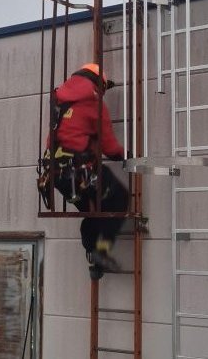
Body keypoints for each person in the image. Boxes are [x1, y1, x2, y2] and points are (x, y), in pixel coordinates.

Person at [42, 63, 129, 273]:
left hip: (57, 175)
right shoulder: (94, 104)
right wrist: (127, 157)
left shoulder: (60, 102)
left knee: (92, 211)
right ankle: (101, 250)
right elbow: (109, 146)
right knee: (119, 199)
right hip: (80, 171)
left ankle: (93, 255)